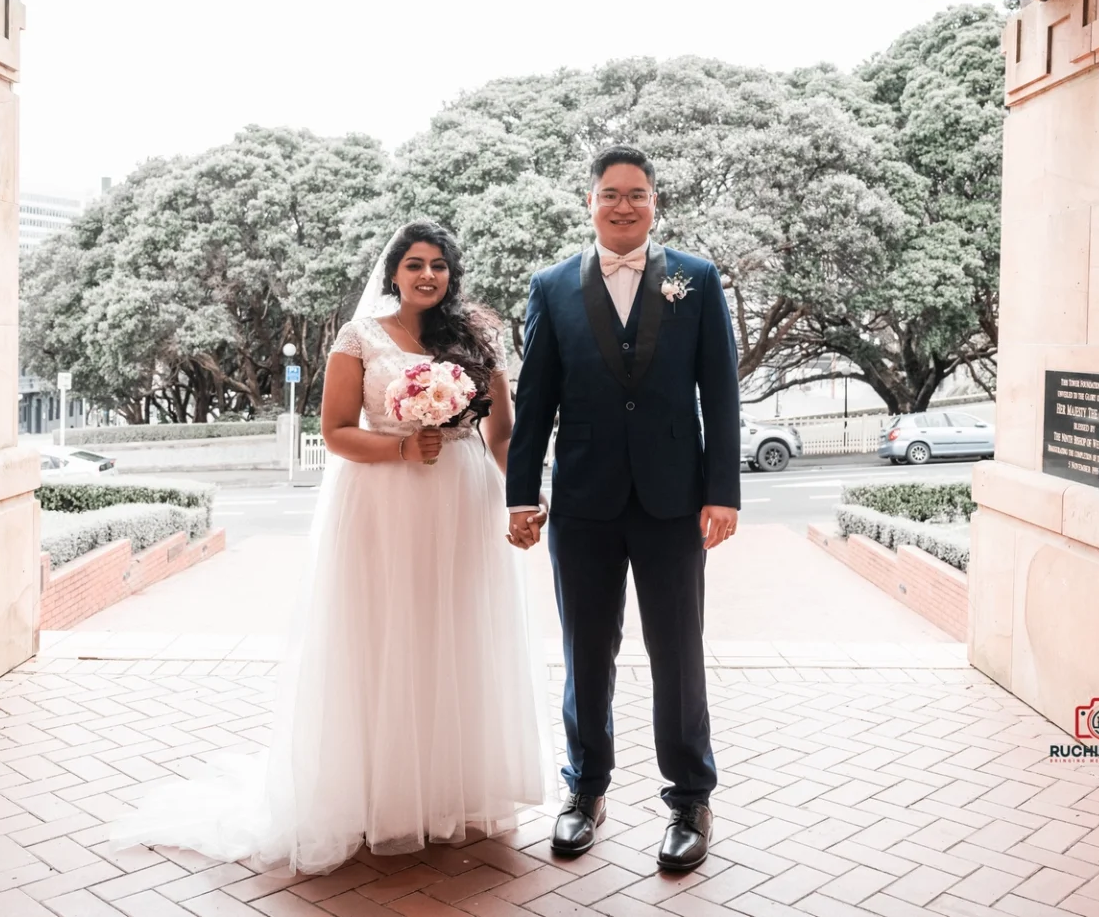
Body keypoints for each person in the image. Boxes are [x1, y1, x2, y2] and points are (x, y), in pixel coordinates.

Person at [112, 221, 550, 874]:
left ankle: (452, 790)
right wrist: (405, 445)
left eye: (438, 265)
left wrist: (523, 498)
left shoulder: (477, 339)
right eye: (414, 264)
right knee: (385, 635)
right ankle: (384, 794)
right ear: (393, 273)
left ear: (452, 274)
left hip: (463, 500)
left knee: (455, 634)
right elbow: (338, 432)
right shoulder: (359, 339)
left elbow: (502, 434)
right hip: (385, 501)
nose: (427, 275)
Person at [505, 144, 741, 872]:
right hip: (582, 501)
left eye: (637, 193)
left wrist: (722, 493)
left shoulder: (697, 281)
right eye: (611, 193)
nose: (624, 205)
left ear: (654, 202)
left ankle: (689, 798)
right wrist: (521, 493)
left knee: (677, 654)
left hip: (674, 501)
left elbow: (721, 394)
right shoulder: (550, 287)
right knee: (585, 653)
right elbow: (535, 400)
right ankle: (585, 792)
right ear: (590, 202)